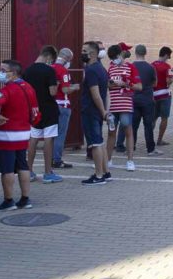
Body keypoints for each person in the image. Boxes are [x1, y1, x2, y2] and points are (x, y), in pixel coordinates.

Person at [0, 60, 38, 210]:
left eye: (3, 70)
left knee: (7, 169)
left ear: (13, 73)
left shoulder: (7, 90)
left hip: (6, 135)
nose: (0, 73)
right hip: (23, 133)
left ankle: (8, 200)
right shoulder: (28, 87)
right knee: (23, 165)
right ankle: (25, 198)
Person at [23, 46, 62, 184]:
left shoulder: (27, 71)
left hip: (34, 109)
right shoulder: (49, 70)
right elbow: (52, 92)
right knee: (48, 139)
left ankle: (29, 171)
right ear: (49, 57)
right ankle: (48, 172)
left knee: (33, 138)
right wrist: (56, 85)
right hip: (49, 109)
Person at [105, 44, 141, 172]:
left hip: (126, 105)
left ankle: (130, 161)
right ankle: (108, 160)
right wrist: (110, 84)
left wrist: (126, 83)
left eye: (116, 56)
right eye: (112, 57)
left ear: (121, 54)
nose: (115, 59)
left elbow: (139, 87)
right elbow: (107, 86)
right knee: (111, 133)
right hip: (113, 106)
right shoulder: (110, 68)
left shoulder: (130, 67)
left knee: (128, 132)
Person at [79, 41, 110, 184]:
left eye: (84, 50)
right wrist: (105, 111)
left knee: (95, 143)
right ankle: (105, 172)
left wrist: (103, 111)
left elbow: (95, 94)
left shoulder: (91, 70)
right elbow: (106, 93)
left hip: (91, 111)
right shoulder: (102, 69)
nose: (82, 53)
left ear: (91, 53)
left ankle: (98, 176)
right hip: (97, 111)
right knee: (100, 142)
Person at [126, 44, 159, 155]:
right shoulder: (150, 67)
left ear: (135, 53)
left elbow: (128, 82)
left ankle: (131, 147)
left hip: (134, 99)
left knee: (133, 125)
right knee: (148, 125)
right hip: (147, 99)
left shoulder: (130, 66)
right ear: (145, 53)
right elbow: (155, 83)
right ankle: (150, 149)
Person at [51, 48, 78, 170]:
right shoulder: (63, 70)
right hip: (62, 104)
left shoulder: (50, 68)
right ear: (67, 58)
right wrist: (75, 87)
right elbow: (65, 89)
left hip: (51, 104)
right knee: (60, 134)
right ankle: (57, 159)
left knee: (50, 134)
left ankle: (50, 158)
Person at [151, 47, 173, 147]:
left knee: (154, 118)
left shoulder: (152, 65)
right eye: (169, 56)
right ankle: (159, 140)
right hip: (165, 95)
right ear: (165, 54)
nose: (169, 58)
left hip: (154, 95)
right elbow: (168, 81)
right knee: (164, 118)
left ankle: (150, 139)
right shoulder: (166, 66)